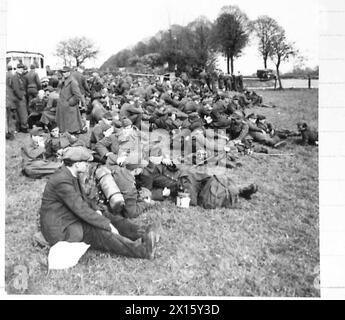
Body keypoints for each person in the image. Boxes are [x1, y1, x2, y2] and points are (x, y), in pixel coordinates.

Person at [39, 146, 159, 259]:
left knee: (106, 215)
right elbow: (81, 209)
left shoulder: (70, 173)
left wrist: (97, 210)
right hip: (61, 228)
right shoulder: (62, 181)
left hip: (68, 216)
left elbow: (82, 199)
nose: (88, 165)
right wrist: (107, 225)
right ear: (76, 164)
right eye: (85, 163)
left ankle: (143, 232)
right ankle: (142, 251)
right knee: (99, 232)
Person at [55, 66, 86, 134]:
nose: (64, 73)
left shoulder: (72, 82)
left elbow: (77, 95)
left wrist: (70, 103)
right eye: (63, 72)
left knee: (71, 126)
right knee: (65, 126)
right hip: (64, 106)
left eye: (66, 72)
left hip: (69, 106)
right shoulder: (64, 81)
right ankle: (67, 133)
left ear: (69, 72)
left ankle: (71, 133)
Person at [10, 63, 29, 133]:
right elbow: (16, 88)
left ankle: (20, 127)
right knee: (23, 113)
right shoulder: (16, 77)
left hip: (18, 97)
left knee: (19, 113)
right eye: (20, 68)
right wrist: (21, 96)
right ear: (17, 69)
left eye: (22, 68)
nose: (22, 70)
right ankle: (24, 127)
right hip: (19, 98)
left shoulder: (19, 76)